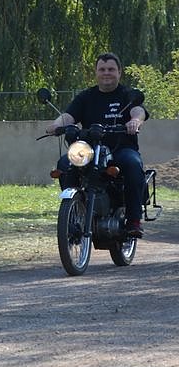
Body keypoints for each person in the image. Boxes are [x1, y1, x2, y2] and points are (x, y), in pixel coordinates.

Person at [45, 52, 149, 238]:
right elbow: (69, 116)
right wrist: (56, 125)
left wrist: (135, 121)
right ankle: (74, 211)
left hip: (121, 149)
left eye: (111, 69)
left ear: (119, 72)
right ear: (96, 72)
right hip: (89, 150)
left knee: (133, 164)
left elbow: (139, 111)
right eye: (102, 69)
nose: (106, 73)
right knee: (64, 164)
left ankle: (134, 220)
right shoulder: (86, 96)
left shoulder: (126, 95)